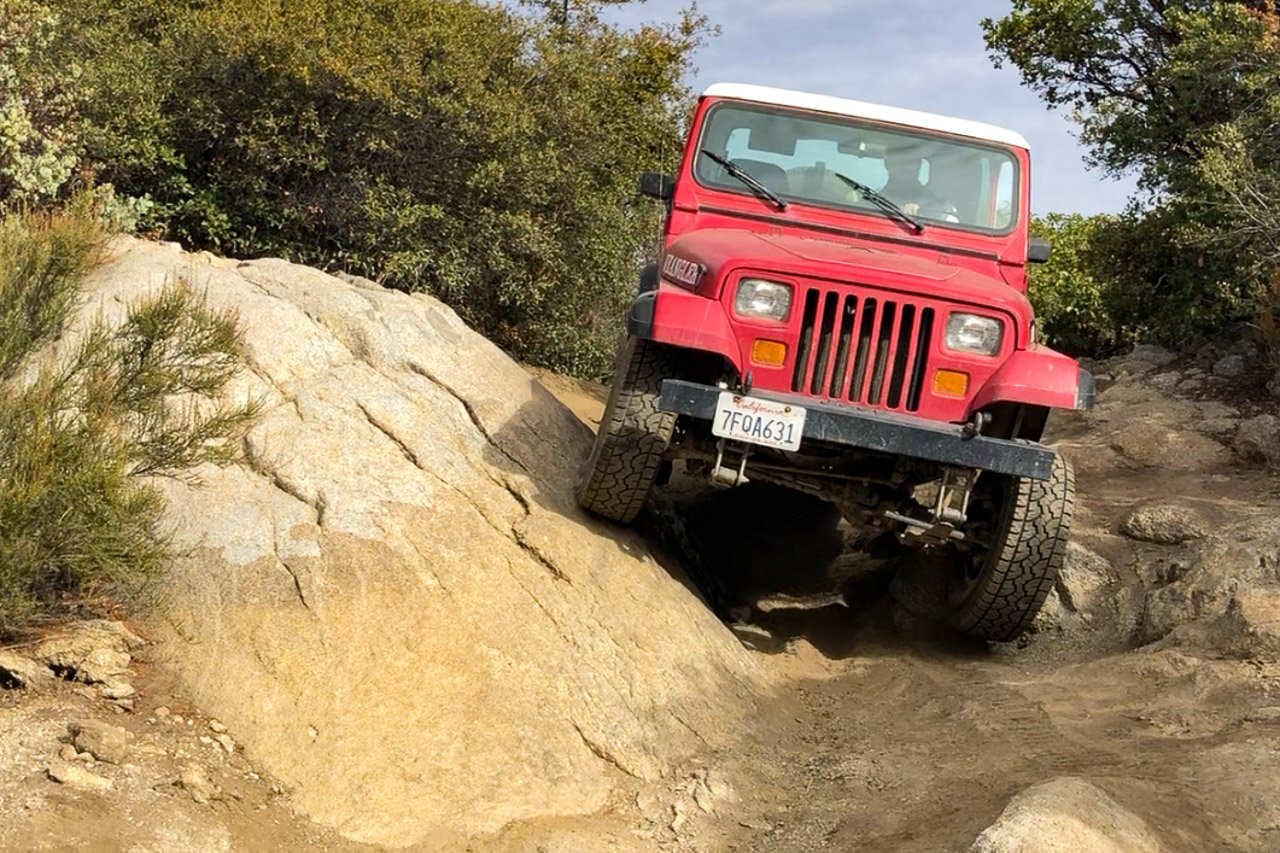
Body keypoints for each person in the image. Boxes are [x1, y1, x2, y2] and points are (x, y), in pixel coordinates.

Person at [879, 148, 946, 216]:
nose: (904, 166)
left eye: (910, 162)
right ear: (887, 164)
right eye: (898, 161)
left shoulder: (938, 206)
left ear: (919, 164)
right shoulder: (872, 204)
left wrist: (921, 215)